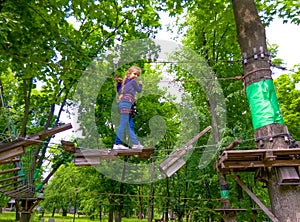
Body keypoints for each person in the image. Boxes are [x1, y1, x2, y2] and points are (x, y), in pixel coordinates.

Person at [113, 66, 144, 149]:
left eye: (137, 75)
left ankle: (135, 144)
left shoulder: (125, 82)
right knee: (123, 124)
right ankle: (117, 144)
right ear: (129, 73)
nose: (136, 76)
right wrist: (140, 84)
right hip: (126, 103)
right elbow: (139, 90)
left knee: (130, 125)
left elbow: (119, 91)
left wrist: (119, 83)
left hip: (126, 104)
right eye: (135, 74)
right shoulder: (133, 81)